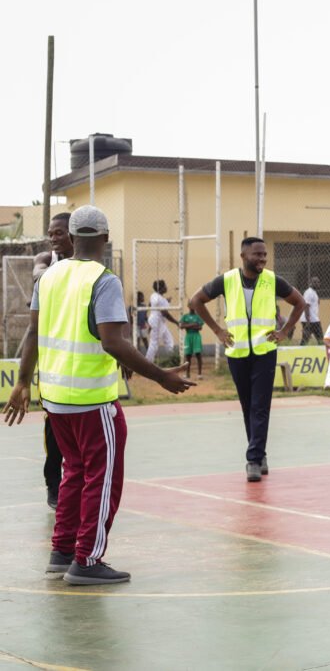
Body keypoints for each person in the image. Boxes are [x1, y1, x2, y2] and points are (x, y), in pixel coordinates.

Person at [3, 206, 194, 585]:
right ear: (106, 239)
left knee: (73, 473)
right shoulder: (104, 280)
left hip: (55, 398)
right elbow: (113, 342)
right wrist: (160, 377)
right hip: (92, 401)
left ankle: (62, 551)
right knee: (102, 478)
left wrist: (23, 382)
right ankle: (87, 560)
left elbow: (34, 335)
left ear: (71, 239)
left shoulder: (49, 277)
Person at [189, 237, 306, 482]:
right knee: (247, 406)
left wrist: (284, 332)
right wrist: (217, 330)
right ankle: (260, 453)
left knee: (259, 406)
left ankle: (253, 460)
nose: (262, 258)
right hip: (237, 353)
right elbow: (195, 301)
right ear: (243, 256)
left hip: (264, 352)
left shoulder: (273, 280)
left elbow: (299, 303)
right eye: (257, 255)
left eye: (264, 254)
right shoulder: (227, 280)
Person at [32, 212, 73, 510]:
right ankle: (52, 485)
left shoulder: (95, 266)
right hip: (52, 363)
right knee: (54, 431)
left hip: (81, 362)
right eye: (50, 232)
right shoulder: (47, 259)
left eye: (58, 232)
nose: (53, 237)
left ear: (73, 233)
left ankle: (77, 485)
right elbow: (39, 275)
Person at [145, 279, 179, 362]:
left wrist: (166, 301)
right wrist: (176, 322)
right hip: (157, 321)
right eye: (165, 286)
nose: (166, 287)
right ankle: (147, 362)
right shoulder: (159, 298)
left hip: (158, 321)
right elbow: (165, 313)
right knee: (154, 343)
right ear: (161, 288)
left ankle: (172, 359)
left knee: (169, 340)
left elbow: (151, 304)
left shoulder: (154, 295)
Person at [180, 307, 205, 379]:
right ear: (188, 305)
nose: (192, 306)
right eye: (190, 304)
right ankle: (187, 374)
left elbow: (200, 327)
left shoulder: (198, 316)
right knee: (188, 355)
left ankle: (199, 374)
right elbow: (181, 326)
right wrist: (193, 324)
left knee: (198, 354)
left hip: (196, 336)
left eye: (193, 304)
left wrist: (187, 325)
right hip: (188, 337)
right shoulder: (185, 316)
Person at [300, 277, 323, 345]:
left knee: (318, 339)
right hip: (310, 321)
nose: (317, 284)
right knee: (307, 340)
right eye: (315, 282)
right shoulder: (309, 292)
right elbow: (306, 306)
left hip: (314, 319)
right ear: (310, 283)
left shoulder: (314, 292)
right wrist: (308, 321)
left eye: (318, 282)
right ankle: (300, 351)